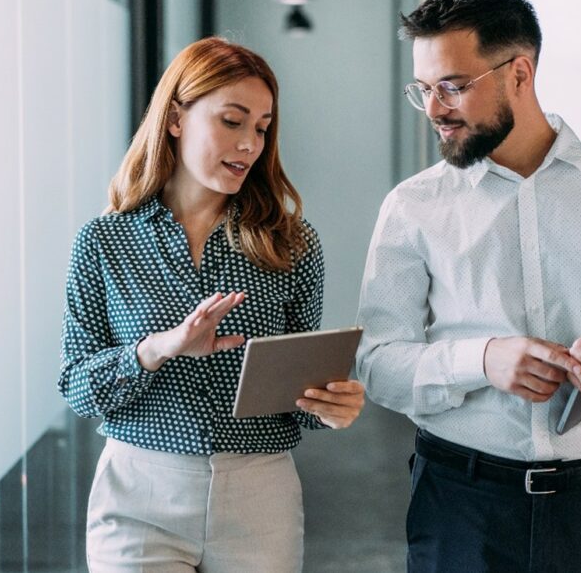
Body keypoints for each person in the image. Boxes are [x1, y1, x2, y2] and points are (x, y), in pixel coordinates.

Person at [356, 0, 581, 572]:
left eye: (452, 86)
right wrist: (484, 359)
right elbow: (377, 365)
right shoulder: (412, 206)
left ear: (519, 73)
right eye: (424, 90)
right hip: (459, 505)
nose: (436, 109)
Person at [59, 37, 365, 572]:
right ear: (176, 118)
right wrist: (157, 349)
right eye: (232, 120)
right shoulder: (104, 242)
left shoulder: (292, 244)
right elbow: (78, 389)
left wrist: (331, 405)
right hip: (138, 494)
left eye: (262, 128)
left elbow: (300, 397)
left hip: (258, 494)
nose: (250, 143)